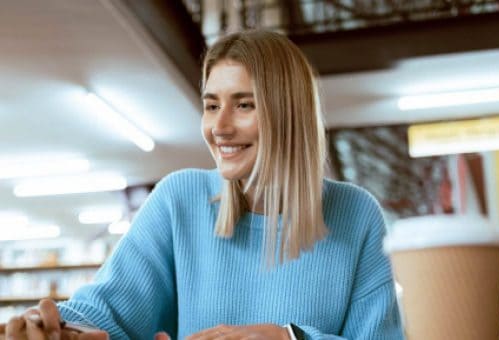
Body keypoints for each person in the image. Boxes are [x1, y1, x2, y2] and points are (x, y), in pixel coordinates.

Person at [2, 30, 403, 340]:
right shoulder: (180, 199)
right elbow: (107, 312)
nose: (219, 128)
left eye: (243, 105)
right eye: (212, 105)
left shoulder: (356, 214)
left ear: (289, 114)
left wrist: (290, 336)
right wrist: (56, 327)